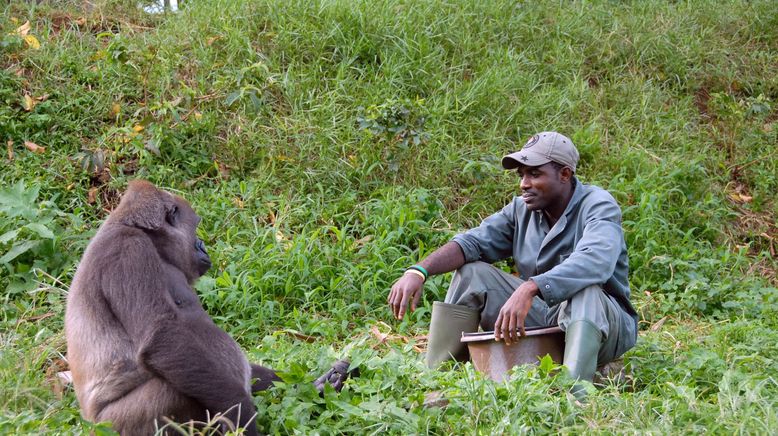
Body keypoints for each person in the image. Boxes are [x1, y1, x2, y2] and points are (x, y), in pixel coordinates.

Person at [387, 131, 638, 392]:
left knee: (585, 291)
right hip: (549, 321)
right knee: (472, 273)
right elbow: (472, 243)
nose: (524, 184)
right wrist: (418, 271)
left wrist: (530, 287)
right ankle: (439, 380)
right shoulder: (521, 209)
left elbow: (595, 260)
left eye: (535, 174)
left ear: (564, 174)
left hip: (603, 325)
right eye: (522, 175)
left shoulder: (598, 205)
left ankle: (574, 395)